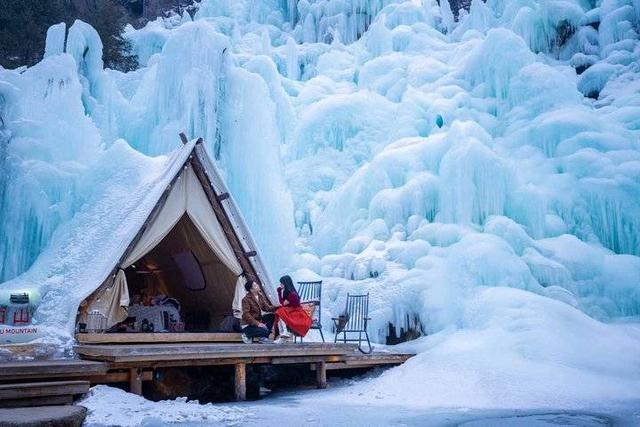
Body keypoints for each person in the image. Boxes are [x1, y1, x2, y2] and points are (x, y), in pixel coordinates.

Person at [273, 275, 312, 343]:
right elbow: (284, 303)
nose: (280, 285)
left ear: (285, 283)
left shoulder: (292, 294)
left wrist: (279, 292)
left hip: (297, 312)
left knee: (280, 311)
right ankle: (283, 336)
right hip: (291, 311)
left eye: (281, 283)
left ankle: (285, 333)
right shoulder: (288, 292)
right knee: (280, 311)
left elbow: (283, 303)